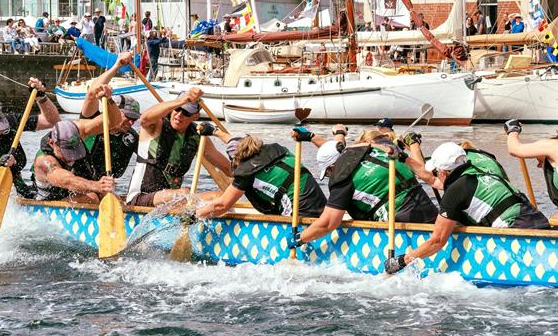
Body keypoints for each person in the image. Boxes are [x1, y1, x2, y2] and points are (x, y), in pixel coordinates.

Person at [384, 141, 549, 275]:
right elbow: (432, 180)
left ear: (444, 172)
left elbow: (437, 241)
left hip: (519, 233)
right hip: (540, 223)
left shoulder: (456, 191)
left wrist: (402, 260)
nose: (435, 174)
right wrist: (402, 157)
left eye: (436, 171)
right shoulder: (481, 171)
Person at [294, 129, 438, 251]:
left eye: (328, 173)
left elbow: (327, 224)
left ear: (332, 168)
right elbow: (336, 148)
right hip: (429, 209)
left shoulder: (342, 178)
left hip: (402, 222)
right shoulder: (374, 150)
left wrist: (300, 238)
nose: (330, 176)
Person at [126, 88, 232, 207]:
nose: (179, 115)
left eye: (186, 113)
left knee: (220, 197)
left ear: (195, 116)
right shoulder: (155, 125)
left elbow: (227, 168)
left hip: (172, 201)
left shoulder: (197, 136)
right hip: (141, 197)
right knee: (184, 193)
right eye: (177, 109)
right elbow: (144, 118)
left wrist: (250, 174)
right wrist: (183, 100)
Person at [196, 128, 326, 220]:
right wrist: (214, 131)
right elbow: (236, 141)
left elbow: (222, 205)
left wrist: (195, 215)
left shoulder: (246, 173)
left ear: (237, 159)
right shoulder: (277, 150)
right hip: (323, 208)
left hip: (301, 214)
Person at [78, 52, 139, 179]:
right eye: (128, 117)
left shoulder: (131, 136)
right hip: (80, 180)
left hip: (106, 186)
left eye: (134, 119)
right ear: (113, 110)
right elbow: (92, 93)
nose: (131, 122)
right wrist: (117, 66)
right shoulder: (93, 122)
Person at [31, 117, 116, 204]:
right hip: (47, 203)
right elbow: (67, 181)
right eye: (66, 151)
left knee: (109, 196)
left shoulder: (82, 134)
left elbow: (113, 120)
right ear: (52, 143)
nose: (72, 157)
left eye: (74, 149)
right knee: (92, 197)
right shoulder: (43, 161)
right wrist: (96, 185)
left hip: (73, 196)